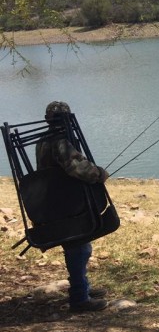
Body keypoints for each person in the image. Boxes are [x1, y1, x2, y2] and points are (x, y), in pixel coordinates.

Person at [35, 101, 110, 312]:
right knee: (79, 248)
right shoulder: (60, 142)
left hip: (53, 202)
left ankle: (83, 287)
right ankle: (79, 298)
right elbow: (78, 169)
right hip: (65, 205)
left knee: (78, 247)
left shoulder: (42, 141)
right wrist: (99, 174)